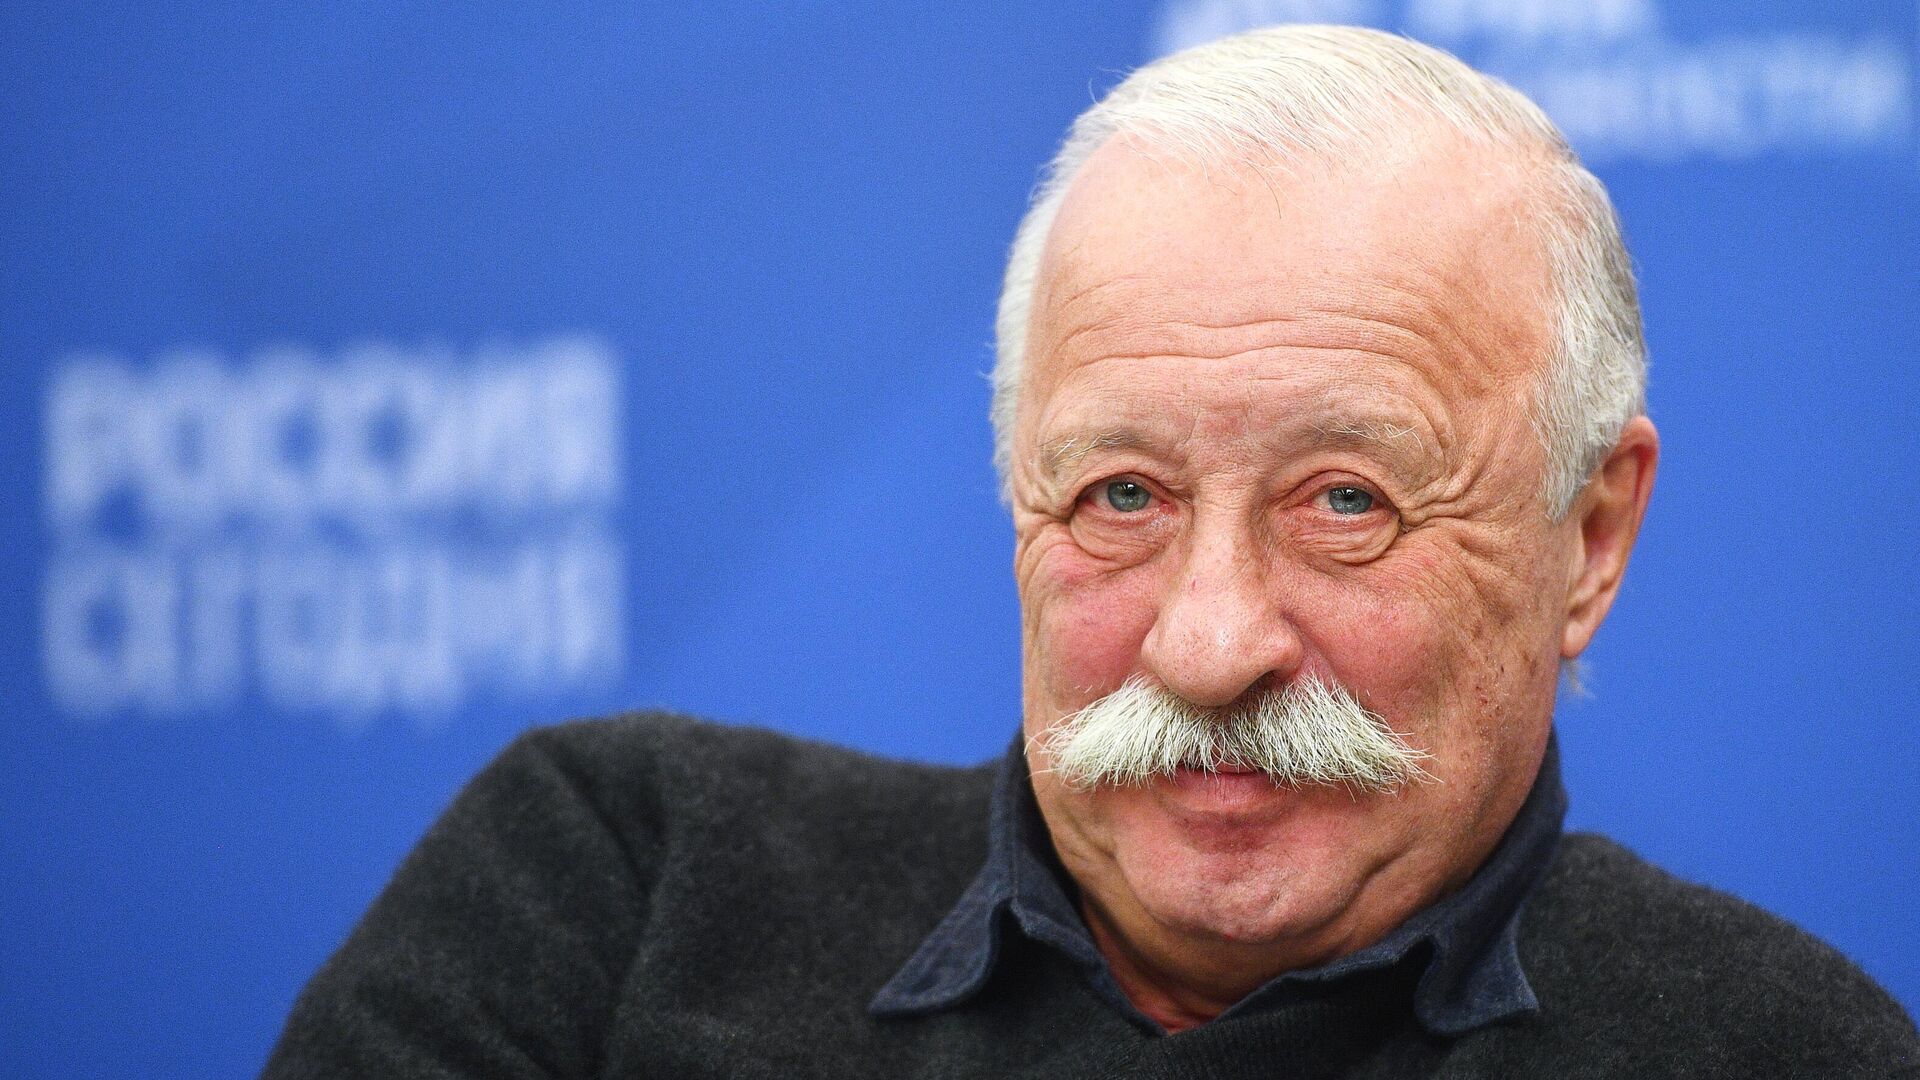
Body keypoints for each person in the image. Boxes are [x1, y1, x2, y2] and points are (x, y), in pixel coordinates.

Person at [262, 25, 1918, 1078]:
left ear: (1590, 536)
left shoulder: (1776, 1052)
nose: (1208, 645)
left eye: (1347, 501)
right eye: (1122, 496)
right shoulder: (620, 888)